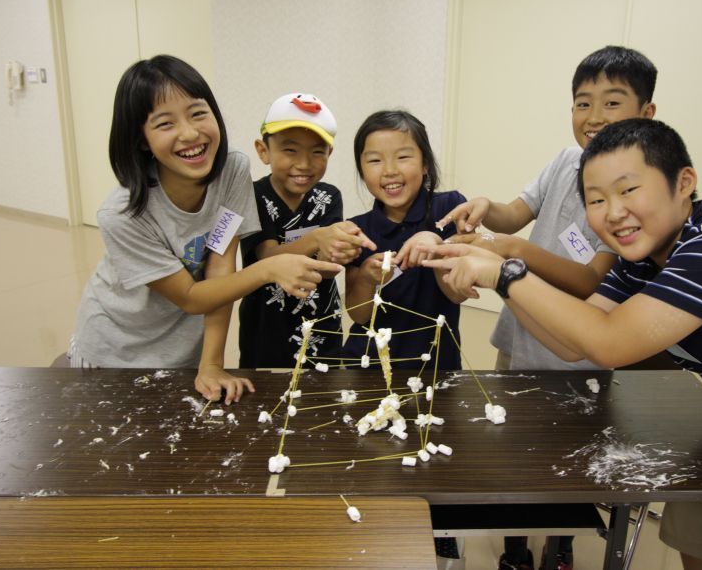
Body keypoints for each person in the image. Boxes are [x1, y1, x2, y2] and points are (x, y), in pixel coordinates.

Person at [424, 118, 702, 570]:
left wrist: (505, 271)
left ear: (684, 183)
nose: (613, 212)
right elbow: (573, 342)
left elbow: (609, 344)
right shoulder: (640, 260)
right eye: (596, 200)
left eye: (628, 190)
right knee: (692, 530)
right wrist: (501, 282)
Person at [440, 45, 659, 570]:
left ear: (646, 114)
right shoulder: (564, 162)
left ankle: (559, 544)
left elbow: (589, 281)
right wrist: (488, 208)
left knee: (570, 457)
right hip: (519, 334)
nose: (594, 117)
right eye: (583, 103)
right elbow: (516, 214)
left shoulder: (635, 195)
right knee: (507, 445)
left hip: (579, 352)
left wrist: (510, 252)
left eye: (612, 103)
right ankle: (515, 543)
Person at [71, 56, 341, 405]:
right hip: (113, 355)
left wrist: (212, 364)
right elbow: (190, 296)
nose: (190, 133)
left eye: (198, 113)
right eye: (165, 123)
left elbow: (218, 268)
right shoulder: (121, 214)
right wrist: (269, 268)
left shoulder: (231, 171)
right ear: (141, 140)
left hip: (182, 353)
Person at [238, 93, 375, 369]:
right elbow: (268, 256)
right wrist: (318, 238)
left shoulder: (329, 196)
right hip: (266, 325)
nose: (303, 163)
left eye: (317, 152)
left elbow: (328, 267)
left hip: (321, 325)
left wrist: (343, 251)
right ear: (263, 151)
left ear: (329, 153)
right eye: (290, 150)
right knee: (265, 400)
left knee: (321, 396)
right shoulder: (252, 196)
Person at [343, 110, 467, 371]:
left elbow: (456, 294)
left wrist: (436, 247)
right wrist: (366, 278)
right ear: (362, 171)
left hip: (434, 365)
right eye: (375, 160)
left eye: (403, 157)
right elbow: (358, 314)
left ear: (425, 164)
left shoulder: (450, 208)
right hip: (369, 366)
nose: (389, 171)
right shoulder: (358, 229)